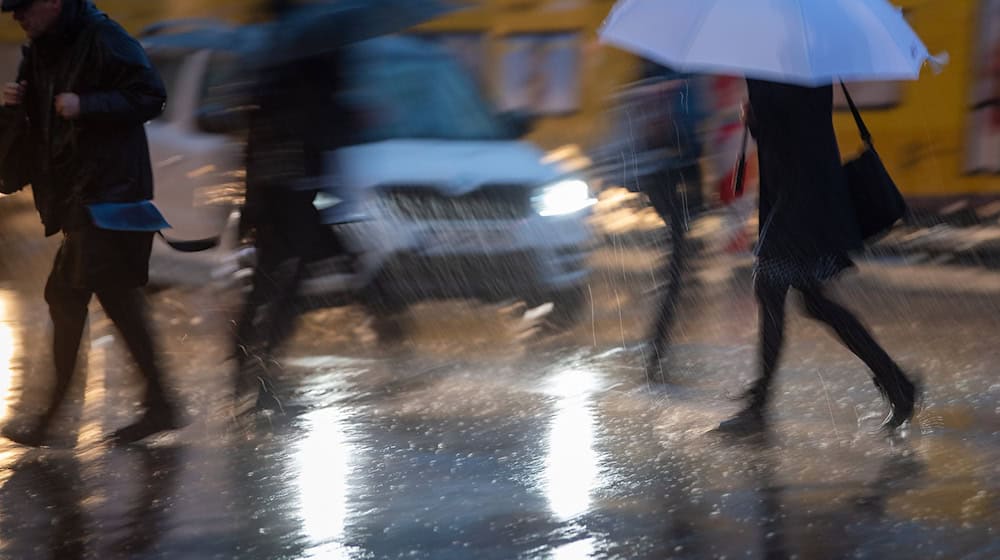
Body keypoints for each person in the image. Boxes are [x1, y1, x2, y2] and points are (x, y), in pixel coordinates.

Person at [0, 0, 181, 446]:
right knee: (112, 301)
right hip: (79, 198)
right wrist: (10, 106)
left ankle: (51, 419)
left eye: (24, 8)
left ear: (54, 2)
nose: (17, 18)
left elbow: (150, 94)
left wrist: (88, 104)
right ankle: (160, 404)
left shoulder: (103, 37)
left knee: (67, 297)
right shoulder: (39, 50)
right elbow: (33, 133)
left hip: (110, 195)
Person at [716, 79, 919, 435]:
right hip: (798, 194)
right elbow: (789, 132)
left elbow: (797, 131)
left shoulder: (796, 65)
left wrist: (759, 115)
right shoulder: (794, 62)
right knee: (812, 300)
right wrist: (758, 119)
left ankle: (759, 407)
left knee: (771, 286)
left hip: (802, 196)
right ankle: (898, 383)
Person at [232, 1, 358, 415]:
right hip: (290, 185)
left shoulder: (277, 45)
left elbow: (260, 118)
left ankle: (250, 375)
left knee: (276, 284)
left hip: (285, 183)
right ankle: (255, 377)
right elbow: (320, 117)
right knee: (283, 285)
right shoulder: (308, 51)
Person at [634, 62, 706, 381]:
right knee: (678, 267)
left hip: (663, 175)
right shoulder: (678, 75)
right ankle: (656, 348)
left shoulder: (654, 71)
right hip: (672, 175)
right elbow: (690, 130)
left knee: (680, 264)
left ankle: (658, 345)